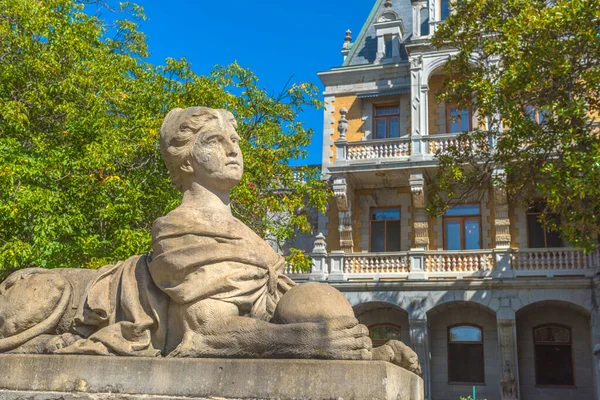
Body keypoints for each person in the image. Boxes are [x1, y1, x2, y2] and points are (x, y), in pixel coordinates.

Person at [0, 107, 372, 361]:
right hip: (70, 301)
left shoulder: (258, 246)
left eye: (235, 140)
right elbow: (207, 333)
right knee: (41, 293)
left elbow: (274, 320)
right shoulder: (177, 233)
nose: (233, 150)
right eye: (215, 141)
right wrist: (310, 341)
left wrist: (372, 350)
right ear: (187, 159)